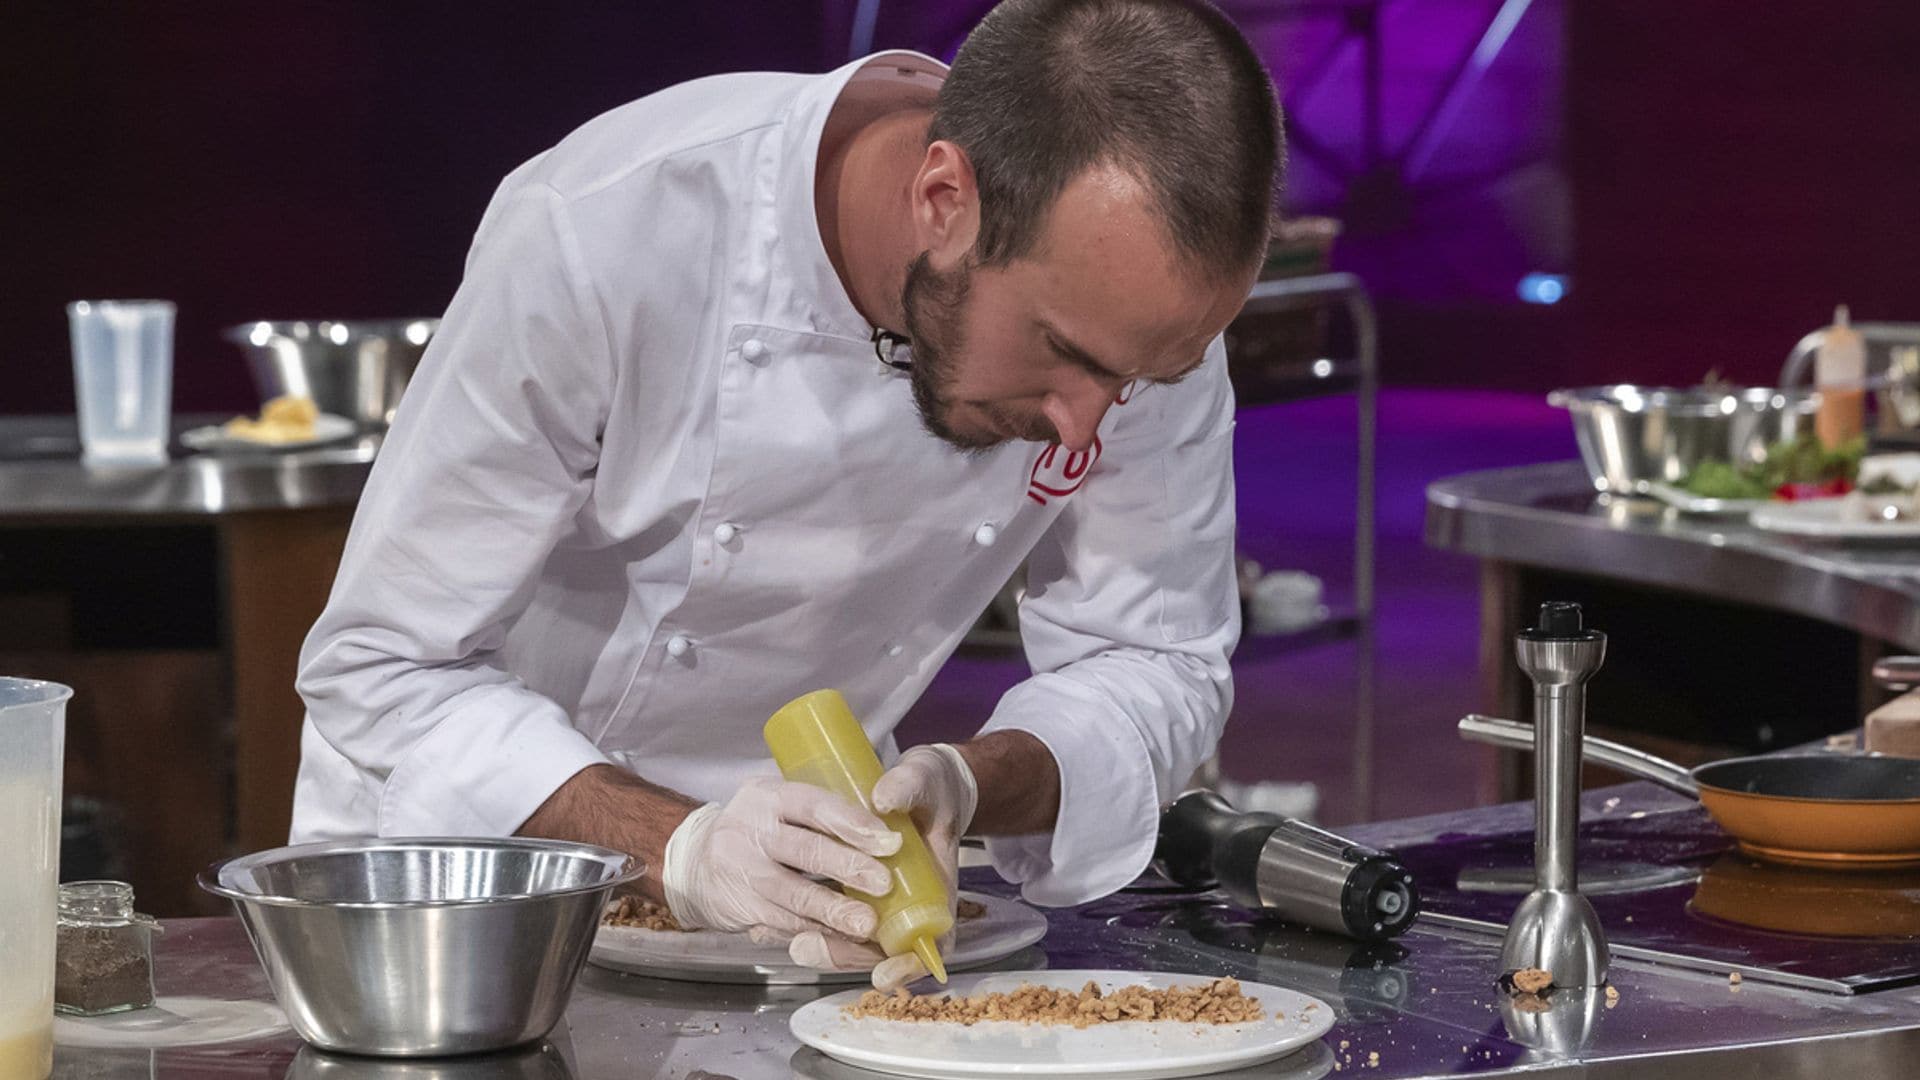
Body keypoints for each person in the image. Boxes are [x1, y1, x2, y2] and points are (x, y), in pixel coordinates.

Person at [292, 0, 1282, 990]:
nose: (1088, 426)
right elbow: (383, 667)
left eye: (1141, 381)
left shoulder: (1125, 317)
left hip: (809, 921)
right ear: (944, 198)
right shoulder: (608, 228)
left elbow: (1156, 660)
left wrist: (965, 783)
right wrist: (687, 851)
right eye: (1064, 355)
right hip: (466, 901)